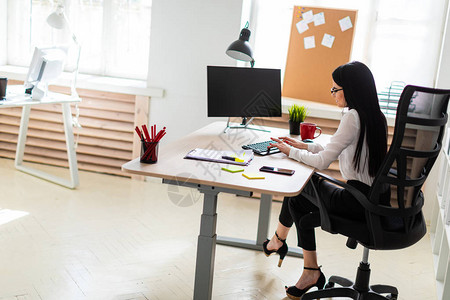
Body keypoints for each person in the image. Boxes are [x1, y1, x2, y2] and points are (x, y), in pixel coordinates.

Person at [264, 61, 388, 300]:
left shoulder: (352, 116)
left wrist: (289, 152)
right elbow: (340, 147)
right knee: (298, 200)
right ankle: (287, 251)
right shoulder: (375, 117)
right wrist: (305, 145)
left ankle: (285, 248)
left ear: (350, 89)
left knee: (297, 190)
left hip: (357, 200)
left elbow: (322, 162)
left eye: (335, 89)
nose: (332, 94)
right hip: (372, 198)